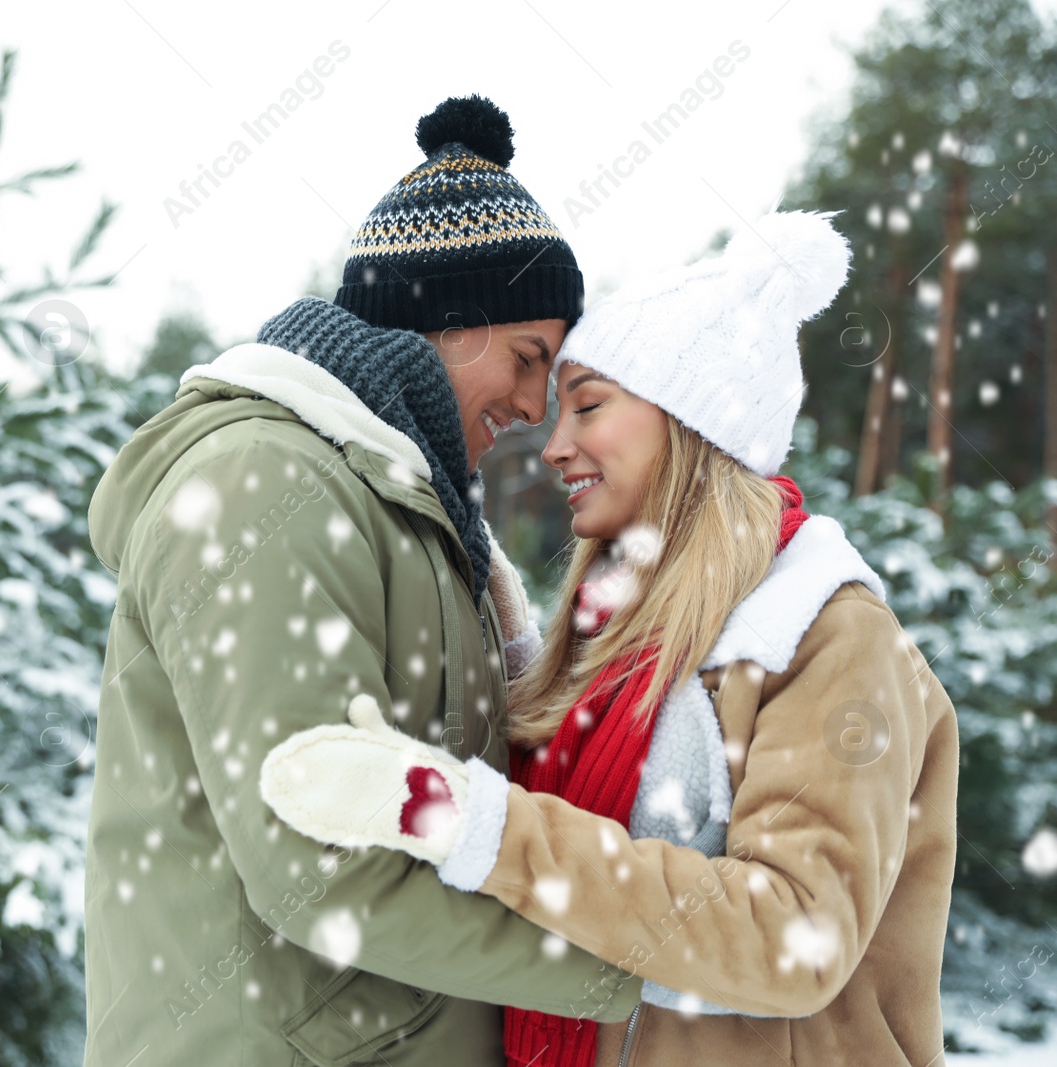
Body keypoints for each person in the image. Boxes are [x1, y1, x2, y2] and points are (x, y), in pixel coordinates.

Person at [261, 211, 959, 1066]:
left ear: (695, 423)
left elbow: (794, 937)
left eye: (588, 405)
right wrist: (512, 652)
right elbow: (593, 818)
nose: (553, 445)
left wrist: (472, 820)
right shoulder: (618, 641)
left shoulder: (828, 634)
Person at [82, 95, 642, 1066]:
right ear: (444, 319)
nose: (528, 406)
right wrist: (641, 961)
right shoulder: (267, 484)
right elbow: (318, 869)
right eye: (525, 359)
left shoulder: (411, 515)